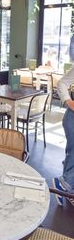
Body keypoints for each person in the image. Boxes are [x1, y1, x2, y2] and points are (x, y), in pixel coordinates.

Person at [53, 66, 74, 205]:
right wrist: (69, 101)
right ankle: (63, 184)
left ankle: (68, 189)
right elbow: (61, 83)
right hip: (72, 117)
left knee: (71, 153)